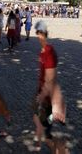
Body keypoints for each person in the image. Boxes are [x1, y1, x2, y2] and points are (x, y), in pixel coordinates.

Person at [31, 21, 66, 150]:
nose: (38, 37)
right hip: (44, 95)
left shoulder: (49, 52)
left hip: (48, 98)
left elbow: (50, 79)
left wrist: (41, 95)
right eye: (37, 34)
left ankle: (55, 148)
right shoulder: (43, 51)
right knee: (40, 124)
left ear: (45, 34)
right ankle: (38, 147)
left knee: (45, 130)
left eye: (40, 34)